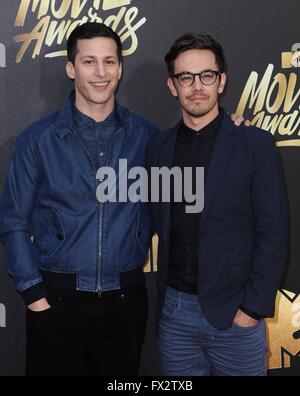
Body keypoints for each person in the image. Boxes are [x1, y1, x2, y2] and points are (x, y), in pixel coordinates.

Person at [0, 22, 159, 376]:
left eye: (110, 61)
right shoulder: (38, 140)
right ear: (71, 69)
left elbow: (197, 155)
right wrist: (34, 296)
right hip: (56, 302)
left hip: (126, 304)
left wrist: (234, 129)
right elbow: (13, 221)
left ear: (120, 67)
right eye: (89, 62)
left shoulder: (147, 137)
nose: (101, 73)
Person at [145, 33, 288, 376]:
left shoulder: (255, 145)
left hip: (235, 317)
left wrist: (250, 310)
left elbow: (273, 233)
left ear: (221, 81)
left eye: (206, 75)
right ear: (172, 85)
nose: (197, 86)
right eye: (186, 77)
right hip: (175, 314)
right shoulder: (158, 149)